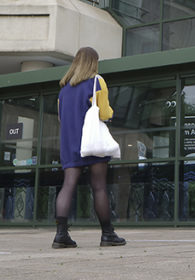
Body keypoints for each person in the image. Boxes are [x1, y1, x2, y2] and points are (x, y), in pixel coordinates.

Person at [53, 46, 126, 248]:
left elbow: (60, 117)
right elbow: (104, 113)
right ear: (93, 62)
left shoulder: (64, 88)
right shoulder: (97, 81)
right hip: (92, 141)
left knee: (68, 185)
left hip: (70, 141)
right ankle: (108, 234)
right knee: (99, 187)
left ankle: (61, 236)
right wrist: (111, 112)